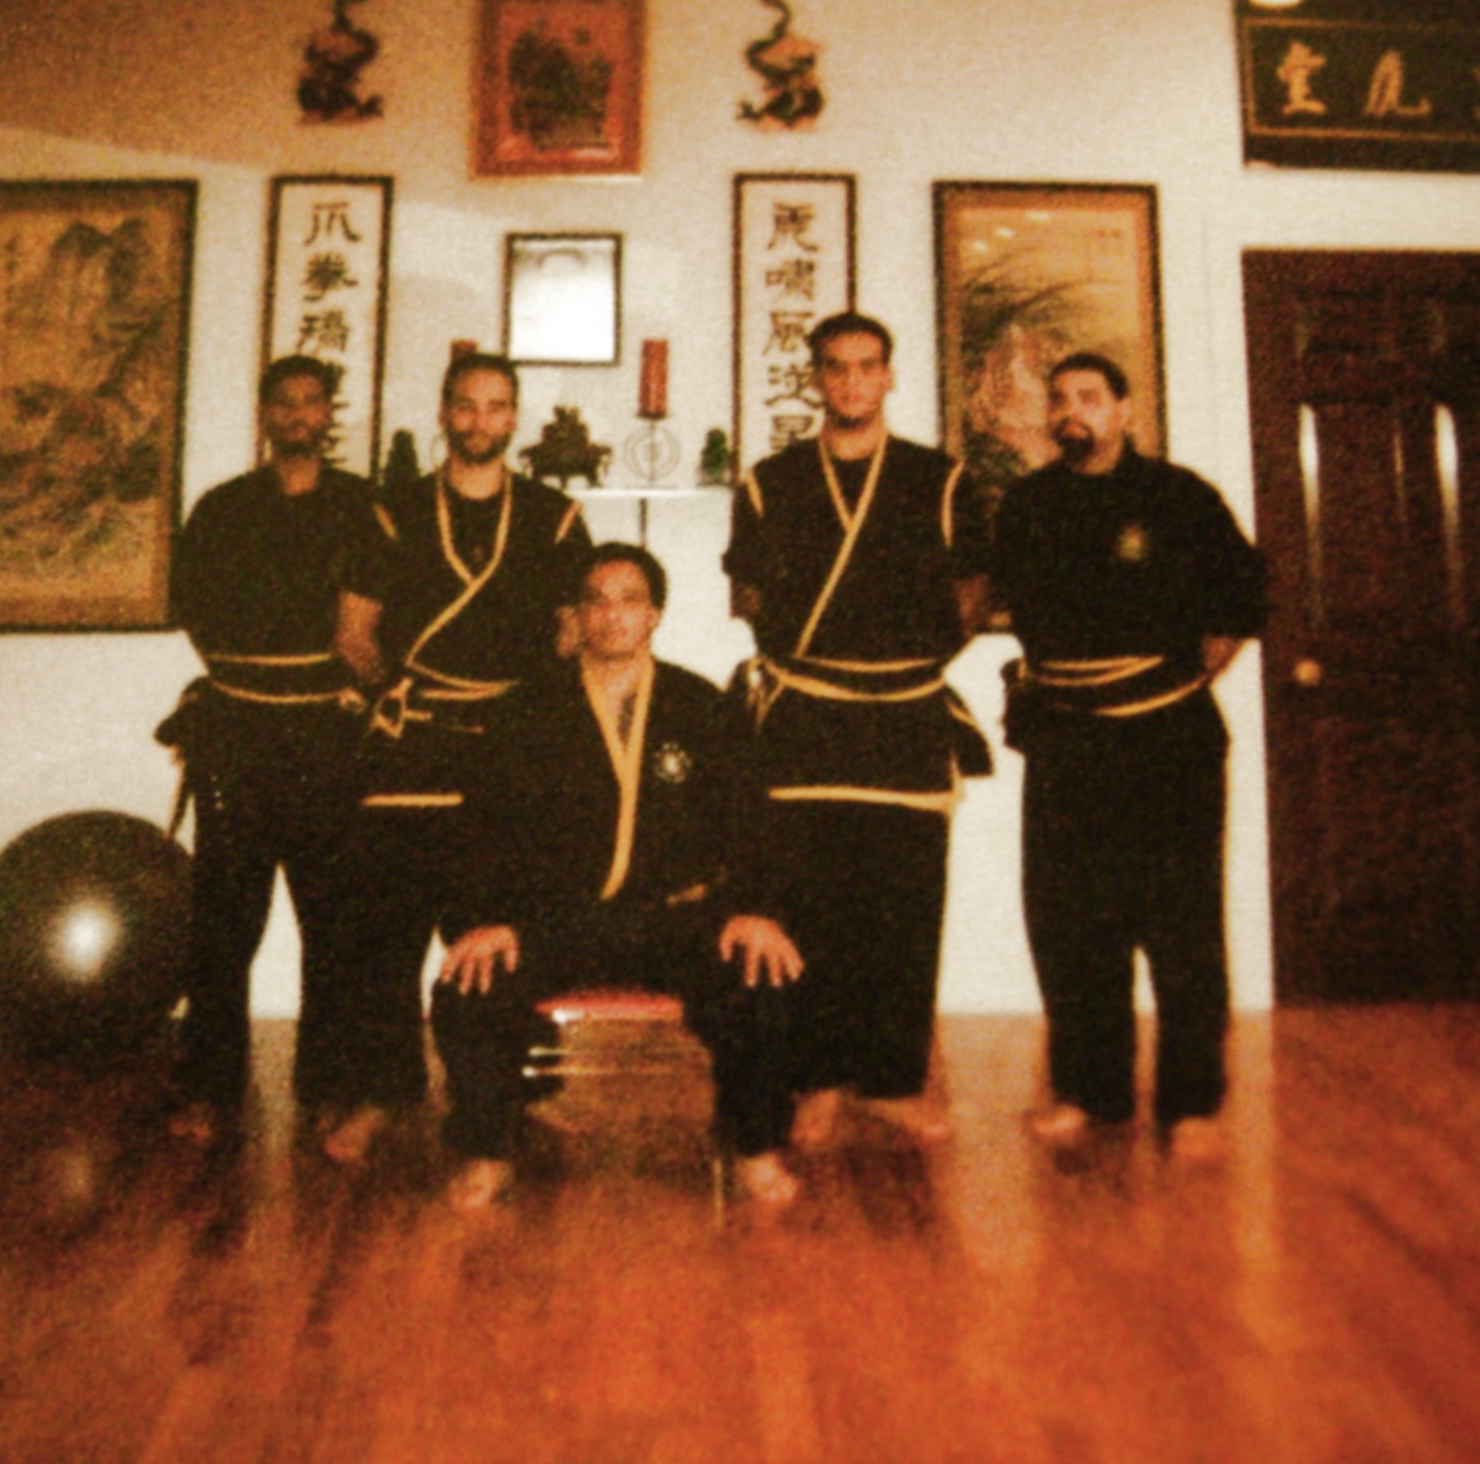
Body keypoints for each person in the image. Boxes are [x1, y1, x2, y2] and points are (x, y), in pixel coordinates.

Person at [430, 543, 805, 1209]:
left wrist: (756, 910)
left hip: (677, 919)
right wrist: (483, 922)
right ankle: (488, 1149)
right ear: (576, 614)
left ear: (654, 614)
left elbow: (752, 822)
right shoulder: (525, 711)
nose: (612, 614)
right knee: (468, 988)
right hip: (557, 921)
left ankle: (755, 1144)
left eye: (630, 599)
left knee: (763, 978)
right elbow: (478, 833)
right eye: (596, 600)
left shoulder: (701, 706)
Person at [304, 350, 591, 1162]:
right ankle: (381, 1093)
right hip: (412, 745)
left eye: (496, 406)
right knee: (384, 936)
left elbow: (572, 627)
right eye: (466, 404)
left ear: (515, 417)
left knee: (505, 931)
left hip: (508, 748)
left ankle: (520, 1092)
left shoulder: (553, 516)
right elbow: (353, 634)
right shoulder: (392, 512)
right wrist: (402, 694)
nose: (479, 421)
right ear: (443, 412)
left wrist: (533, 705)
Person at [722, 311, 994, 1149]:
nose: (850, 381)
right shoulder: (771, 481)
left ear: (888, 376)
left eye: (866, 365)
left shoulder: (938, 480)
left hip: (904, 715)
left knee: (903, 908)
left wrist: (909, 659)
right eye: (835, 367)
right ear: (815, 379)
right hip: (807, 715)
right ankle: (814, 1080)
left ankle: (892, 1081)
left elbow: (973, 593)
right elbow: (748, 596)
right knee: (810, 905)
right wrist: (817, 657)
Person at [988, 352, 1265, 1159]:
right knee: (1070, 925)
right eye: (1059, 399)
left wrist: (1166, 688)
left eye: (1088, 397)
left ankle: (1192, 1105)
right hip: (1065, 739)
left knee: (1181, 926)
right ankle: (1091, 1092)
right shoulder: (1028, 505)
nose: (1071, 411)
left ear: (1124, 410)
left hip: (1165, 741)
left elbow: (1238, 604)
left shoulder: (1179, 498)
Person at [159, 355, 384, 1138]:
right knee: (223, 926)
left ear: (329, 414)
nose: (297, 415)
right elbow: (193, 610)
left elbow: (382, 620)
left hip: (328, 734)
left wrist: (356, 687)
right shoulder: (222, 509)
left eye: (312, 402)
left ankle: (329, 1086)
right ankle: (209, 1089)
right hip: (241, 733)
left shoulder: (363, 507)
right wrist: (243, 680)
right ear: (263, 414)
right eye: (283, 403)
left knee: (335, 926)